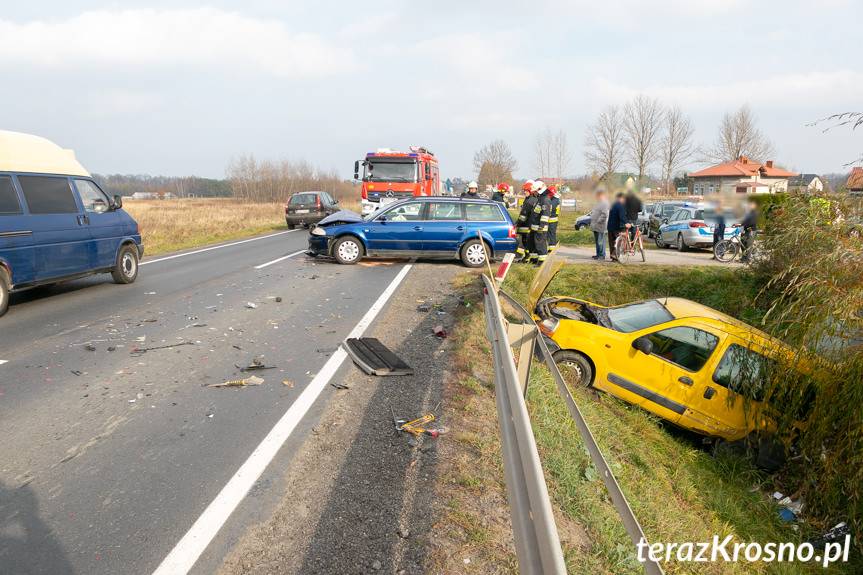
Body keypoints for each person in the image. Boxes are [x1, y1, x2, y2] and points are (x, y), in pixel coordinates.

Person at [528, 180, 551, 265]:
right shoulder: (540, 199)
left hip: (540, 227)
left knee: (540, 245)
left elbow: (545, 215)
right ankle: (534, 260)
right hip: (535, 227)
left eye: (535, 191)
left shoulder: (545, 200)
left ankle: (542, 261)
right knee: (533, 245)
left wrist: (541, 227)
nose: (534, 193)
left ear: (540, 190)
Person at [514, 181, 536, 262]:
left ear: (530, 191)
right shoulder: (531, 199)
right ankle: (527, 258)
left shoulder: (529, 201)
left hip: (527, 225)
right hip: (529, 225)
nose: (524, 192)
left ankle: (526, 258)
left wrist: (517, 223)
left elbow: (523, 216)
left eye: (526, 191)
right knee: (527, 243)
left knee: (526, 243)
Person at [590, 190, 609, 260]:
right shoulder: (598, 203)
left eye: (598, 196)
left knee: (601, 241)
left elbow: (605, 214)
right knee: (597, 241)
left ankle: (602, 255)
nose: (597, 197)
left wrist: (598, 221)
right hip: (595, 225)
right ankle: (598, 254)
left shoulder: (605, 203)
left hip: (601, 225)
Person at [607, 192, 627, 261]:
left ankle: (613, 258)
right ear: (621, 198)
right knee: (618, 242)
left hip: (610, 226)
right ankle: (615, 255)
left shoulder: (613, 205)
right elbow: (622, 216)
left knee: (611, 242)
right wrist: (626, 223)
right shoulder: (620, 206)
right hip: (616, 227)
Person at [547, 185, 561, 253]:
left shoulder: (554, 201)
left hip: (552, 219)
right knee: (551, 234)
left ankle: (552, 248)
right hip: (553, 219)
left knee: (551, 234)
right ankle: (550, 247)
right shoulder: (556, 199)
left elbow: (549, 208)